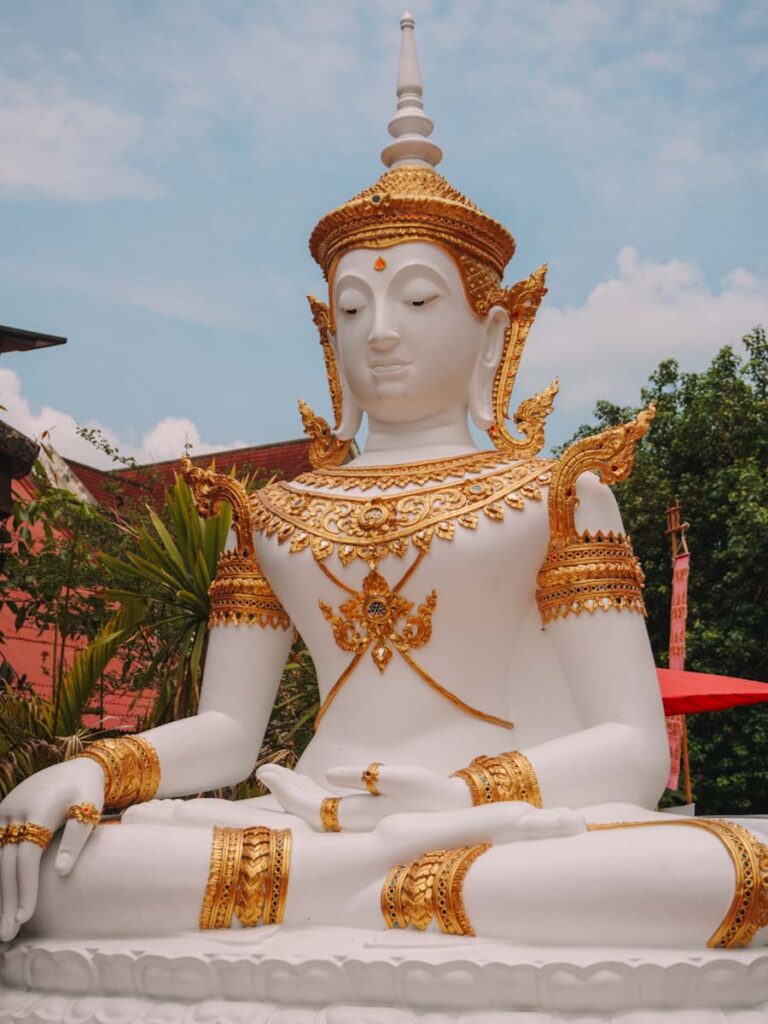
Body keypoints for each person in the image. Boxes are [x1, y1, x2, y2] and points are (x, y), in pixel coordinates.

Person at [1, 14, 765, 951]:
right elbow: (231, 733)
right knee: (55, 869)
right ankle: (386, 889)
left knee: (721, 871)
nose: (382, 333)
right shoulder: (273, 516)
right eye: (354, 309)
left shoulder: (557, 496)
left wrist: (454, 799)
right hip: (306, 821)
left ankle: (370, 883)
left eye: (416, 298)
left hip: (490, 827)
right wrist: (94, 773)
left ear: (492, 334)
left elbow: (635, 751)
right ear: (330, 338)